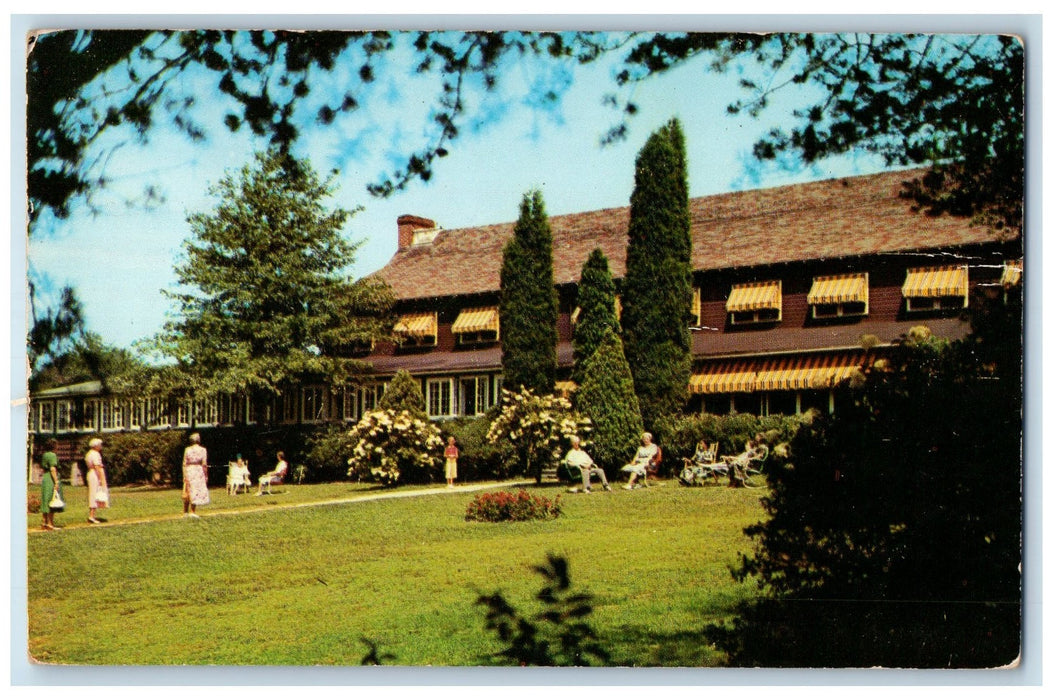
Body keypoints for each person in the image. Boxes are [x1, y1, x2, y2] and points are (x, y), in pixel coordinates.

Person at [182, 433, 210, 518]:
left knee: (187, 489)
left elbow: (184, 463)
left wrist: (184, 474)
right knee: (195, 491)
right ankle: (192, 511)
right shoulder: (203, 450)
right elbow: (204, 464)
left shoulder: (187, 449)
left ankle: (185, 512)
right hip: (198, 470)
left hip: (189, 470)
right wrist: (206, 474)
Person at [39, 438, 63, 530]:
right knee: (51, 499)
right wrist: (56, 481)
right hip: (50, 478)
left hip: (45, 477)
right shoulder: (53, 455)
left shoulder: (45, 455)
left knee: (46, 499)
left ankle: (44, 522)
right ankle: (50, 523)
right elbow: (53, 468)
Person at [85, 438, 108, 524]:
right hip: (95, 474)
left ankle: (92, 515)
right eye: (100, 445)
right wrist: (101, 478)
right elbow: (97, 466)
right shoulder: (95, 454)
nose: (101, 446)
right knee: (94, 494)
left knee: (93, 494)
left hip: (91, 473)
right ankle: (91, 516)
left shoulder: (89, 453)